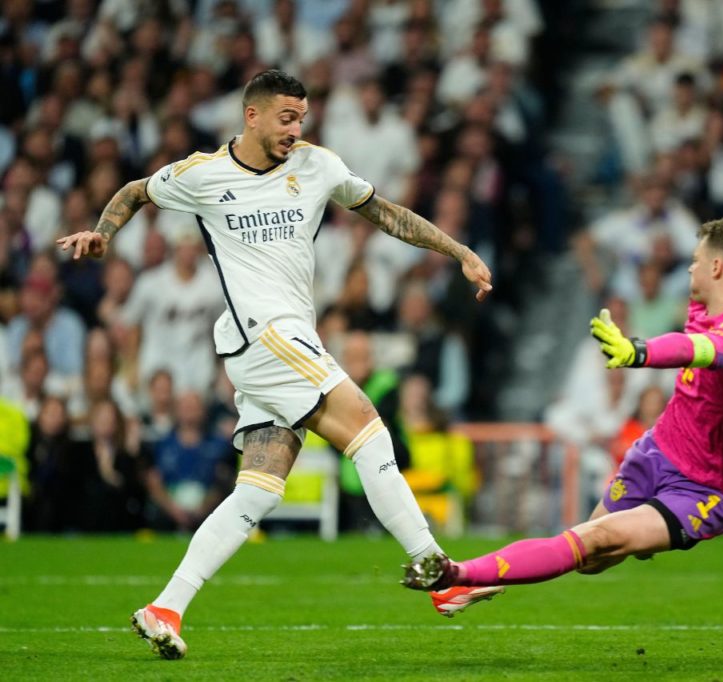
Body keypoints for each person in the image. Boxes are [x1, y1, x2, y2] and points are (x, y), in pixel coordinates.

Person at [56, 69, 500, 660]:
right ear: (253, 116)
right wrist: (103, 232)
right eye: (286, 118)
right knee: (368, 432)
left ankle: (165, 606)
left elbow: (386, 213)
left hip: (274, 343)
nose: (296, 129)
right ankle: (435, 571)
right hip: (263, 335)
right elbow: (134, 190)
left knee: (258, 492)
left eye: (302, 118)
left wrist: (458, 251)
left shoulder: (316, 166)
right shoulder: (203, 174)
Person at [402, 195, 723, 593]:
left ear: (716, 267)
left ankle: (458, 576)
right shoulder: (712, 295)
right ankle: (493, 576)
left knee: (596, 539)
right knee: (589, 558)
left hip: (710, 487)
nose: (689, 266)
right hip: (661, 450)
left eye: (696, 259)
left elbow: (701, 350)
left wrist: (638, 352)